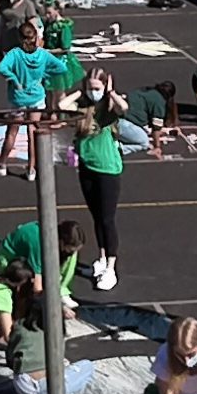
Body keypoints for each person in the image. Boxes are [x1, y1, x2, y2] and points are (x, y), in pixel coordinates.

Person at [74, 70, 126, 290]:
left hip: (107, 170)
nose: (93, 91)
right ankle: (102, 258)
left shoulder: (107, 111)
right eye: (90, 87)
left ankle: (111, 267)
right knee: (96, 217)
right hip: (87, 168)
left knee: (107, 219)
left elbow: (124, 108)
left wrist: (111, 92)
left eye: (97, 87)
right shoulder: (83, 109)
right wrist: (80, 92)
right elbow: (61, 105)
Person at [0, 19, 58, 179]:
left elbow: (1, 68)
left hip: (18, 99)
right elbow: (59, 67)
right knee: (32, 133)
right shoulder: (41, 54)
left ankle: (2, 164)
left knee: (12, 132)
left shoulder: (15, 54)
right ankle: (31, 169)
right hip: (36, 97)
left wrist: (13, 79)